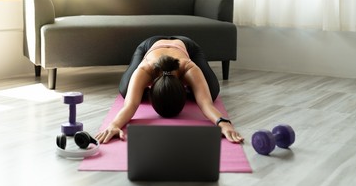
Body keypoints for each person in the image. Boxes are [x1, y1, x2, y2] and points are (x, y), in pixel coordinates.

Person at [95, 36, 244, 144]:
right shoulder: (145, 69)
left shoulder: (189, 67)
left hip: (186, 46)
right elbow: (130, 105)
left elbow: (206, 104)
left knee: (211, 92)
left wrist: (224, 123)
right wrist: (113, 125)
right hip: (150, 46)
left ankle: (192, 87)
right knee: (125, 89)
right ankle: (141, 88)